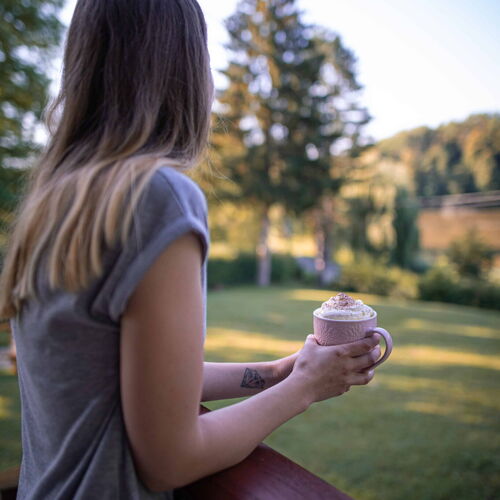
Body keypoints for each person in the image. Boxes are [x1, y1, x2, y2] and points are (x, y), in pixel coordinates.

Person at [0, 0, 382, 498]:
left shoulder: (58, 200)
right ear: (186, 70)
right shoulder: (156, 197)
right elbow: (171, 461)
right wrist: (304, 388)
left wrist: (279, 373)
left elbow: (123, 380)